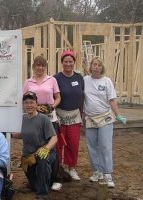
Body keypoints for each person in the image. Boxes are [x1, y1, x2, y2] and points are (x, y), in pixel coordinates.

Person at [84, 57, 126, 188]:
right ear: (90, 67)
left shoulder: (107, 81)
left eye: (98, 65)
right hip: (90, 118)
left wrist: (117, 115)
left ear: (102, 67)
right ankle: (97, 172)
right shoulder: (85, 80)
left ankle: (107, 173)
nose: (96, 67)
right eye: (94, 65)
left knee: (105, 146)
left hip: (105, 117)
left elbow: (112, 100)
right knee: (92, 146)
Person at [23, 55, 62, 190]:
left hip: (51, 118)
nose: (40, 67)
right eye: (38, 65)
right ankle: (39, 177)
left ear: (45, 67)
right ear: (33, 66)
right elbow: (25, 100)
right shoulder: (28, 82)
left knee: (51, 148)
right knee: (36, 148)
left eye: (43, 65)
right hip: (35, 117)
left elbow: (58, 97)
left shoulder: (52, 80)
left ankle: (56, 178)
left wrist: (52, 106)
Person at [12, 92, 57, 200]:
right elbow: (21, 134)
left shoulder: (44, 119)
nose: (29, 105)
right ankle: (43, 183)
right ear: (23, 105)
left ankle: (42, 194)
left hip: (45, 151)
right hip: (29, 154)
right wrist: (6, 134)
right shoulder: (22, 119)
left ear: (36, 104)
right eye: (26, 103)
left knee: (42, 160)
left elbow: (54, 138)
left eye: (32, 102)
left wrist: (46, 149)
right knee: (33, 186)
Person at [54, 50, 84, 181]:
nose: (68, 64)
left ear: (74, 62)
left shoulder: (79, 78)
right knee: (59, 144)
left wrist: (82, 113)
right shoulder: (56, 78)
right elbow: (53, 96)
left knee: (73, 144)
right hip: (60, 116)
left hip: (74, 116)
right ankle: (59, 169)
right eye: (65, 62)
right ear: (62, 63)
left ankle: (71, 168)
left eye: (70, 61)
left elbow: (82, 96)